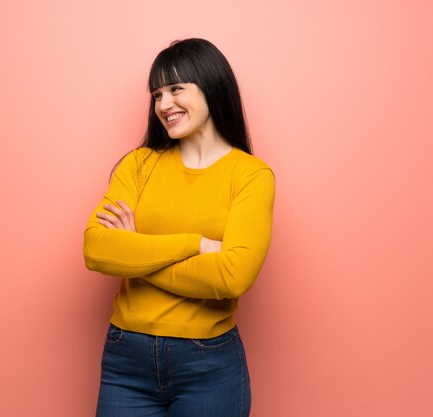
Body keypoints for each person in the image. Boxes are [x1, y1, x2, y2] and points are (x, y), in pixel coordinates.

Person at [83, 38, 275, 417]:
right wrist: (197, 244)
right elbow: (96, 249)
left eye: (176, 89)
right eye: (157, 94)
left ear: (211, 85)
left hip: (208, 364)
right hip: (126, 360)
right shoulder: (138, 165)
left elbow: (233, 277)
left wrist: (136, 252)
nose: (163, 104)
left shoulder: (251, 175)